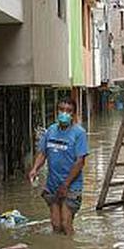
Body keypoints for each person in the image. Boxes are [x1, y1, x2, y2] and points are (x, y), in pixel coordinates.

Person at [27, 98, 89, 235]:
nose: (64, 114)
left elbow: (80, 162)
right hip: (52, 185)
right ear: (57, 111)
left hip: (71, 186)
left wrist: (66, 185)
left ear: (74, 114)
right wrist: (35, 169)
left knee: (66, 224)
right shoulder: (51, 130)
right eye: (62, 110)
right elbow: (43, 153)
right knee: (56, 225)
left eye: (69, 111)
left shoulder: (79, 133)